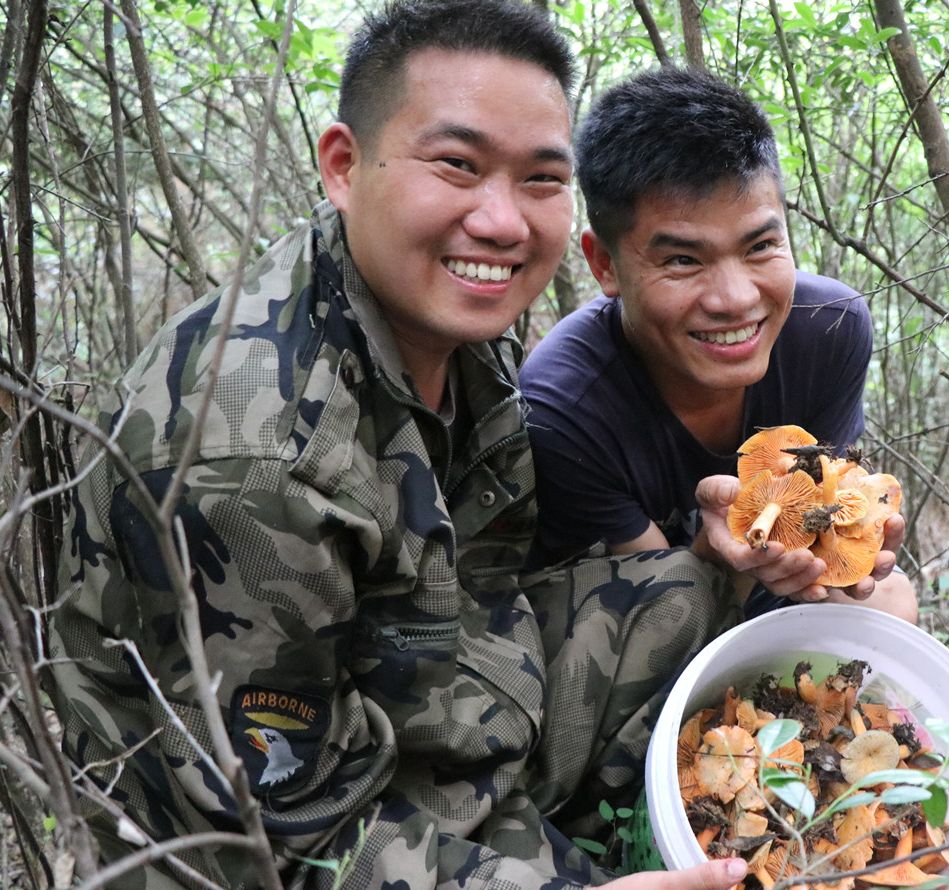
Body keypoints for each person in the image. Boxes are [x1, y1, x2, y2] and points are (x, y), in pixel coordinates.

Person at [48, 4, 749, 888]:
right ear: (345, 166)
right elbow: (290, 839)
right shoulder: (255, 458)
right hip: (261, 834)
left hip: (428, 704)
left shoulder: (444, 322)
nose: (502, 222)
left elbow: (490, 580)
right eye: (457, 165)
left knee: (696, 590)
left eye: (540, 178)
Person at [521, 68, 917, 623]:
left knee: (892, 600)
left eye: (760, 245)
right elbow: (658, 631)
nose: (735, 299)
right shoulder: (563, 409)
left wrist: (842, 554)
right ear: (604, 264)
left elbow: (821, 508)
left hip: (774, 590)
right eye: (683, 260)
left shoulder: (829, 327)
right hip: (630, 624)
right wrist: (719, 549)